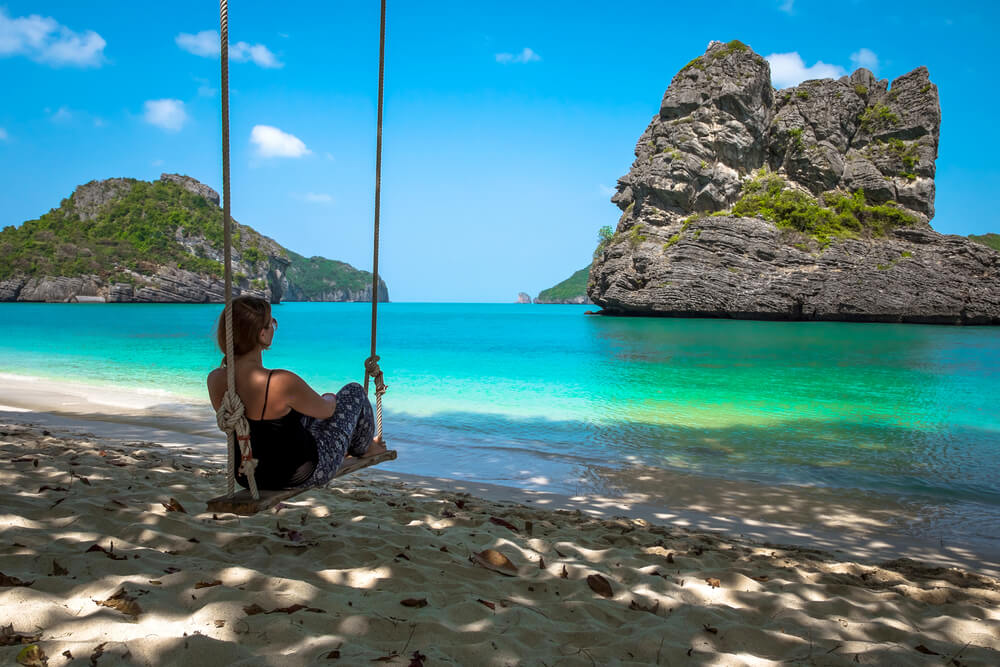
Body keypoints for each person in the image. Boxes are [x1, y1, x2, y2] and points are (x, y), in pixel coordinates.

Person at [207, 295, 386, 490]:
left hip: (247, 475)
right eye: (271, 323)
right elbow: (327, 411)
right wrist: (329, 398)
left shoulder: (215, 379)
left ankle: (356, 445)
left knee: (294, 413)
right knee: (354, 391)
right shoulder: (280, 382)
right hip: (301, 473)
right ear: (262, 334)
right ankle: (366, 448)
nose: (274, 327)